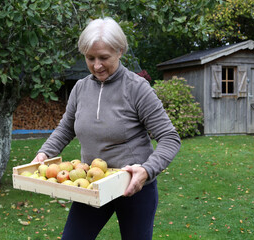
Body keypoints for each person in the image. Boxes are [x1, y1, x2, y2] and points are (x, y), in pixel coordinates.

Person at [32, 17, 181, 240]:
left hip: (134, 188)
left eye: (104, 58)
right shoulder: (81, 88)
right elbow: (65, 128)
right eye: (90, 58)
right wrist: (44, 153)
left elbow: (169, 138)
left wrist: (147, 170)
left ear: (120, 51)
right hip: (91, 184)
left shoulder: (137, 88)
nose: (96, 65)